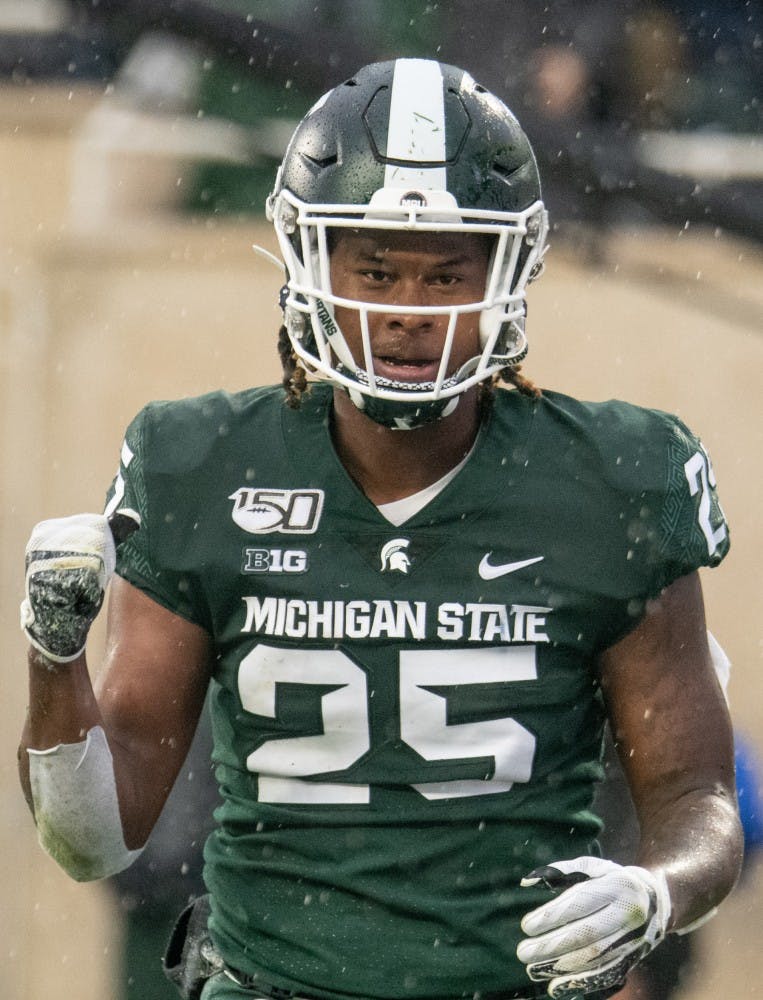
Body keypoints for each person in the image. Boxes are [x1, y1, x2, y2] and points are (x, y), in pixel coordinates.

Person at [17, 57, 743, 1000]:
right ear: (309, 262)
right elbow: (91, 839)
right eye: (375, 270)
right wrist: (51, 656)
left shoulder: (614, 476)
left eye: (445, 274)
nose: (405, 312)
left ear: (508, 271)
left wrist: (656, 891)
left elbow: (699, 804)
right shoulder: (200, 460)